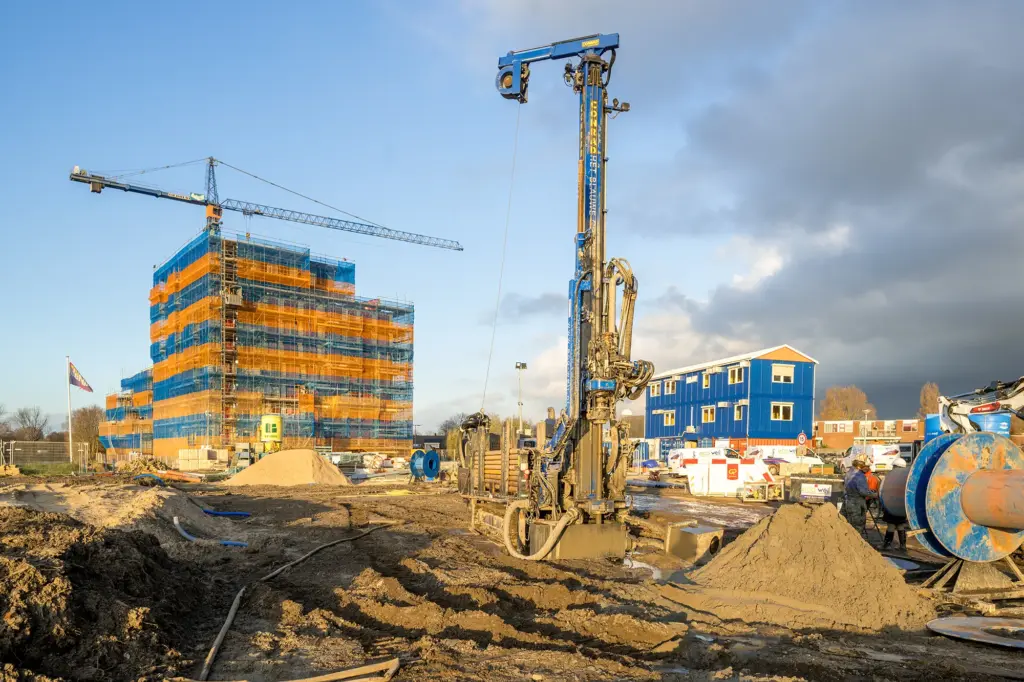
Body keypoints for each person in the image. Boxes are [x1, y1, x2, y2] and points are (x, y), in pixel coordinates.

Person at [843, 456, 877, 537]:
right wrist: (875, 495)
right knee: (858, 526)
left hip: (848, 502)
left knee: (848, 525)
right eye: (864, 466)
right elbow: (863, 492)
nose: (866, 468)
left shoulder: (848, 473)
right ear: (859, 466)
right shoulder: (859, 476)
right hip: (857, 504)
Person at [880, 460, 909, 552]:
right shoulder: (906, 477)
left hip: (890, 504)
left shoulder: (890, 476)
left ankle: (887, 545)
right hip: (901, 505)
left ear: (895, 466)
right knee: (901, 526)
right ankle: (903, 546)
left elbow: (882, 490)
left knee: (891, 526)